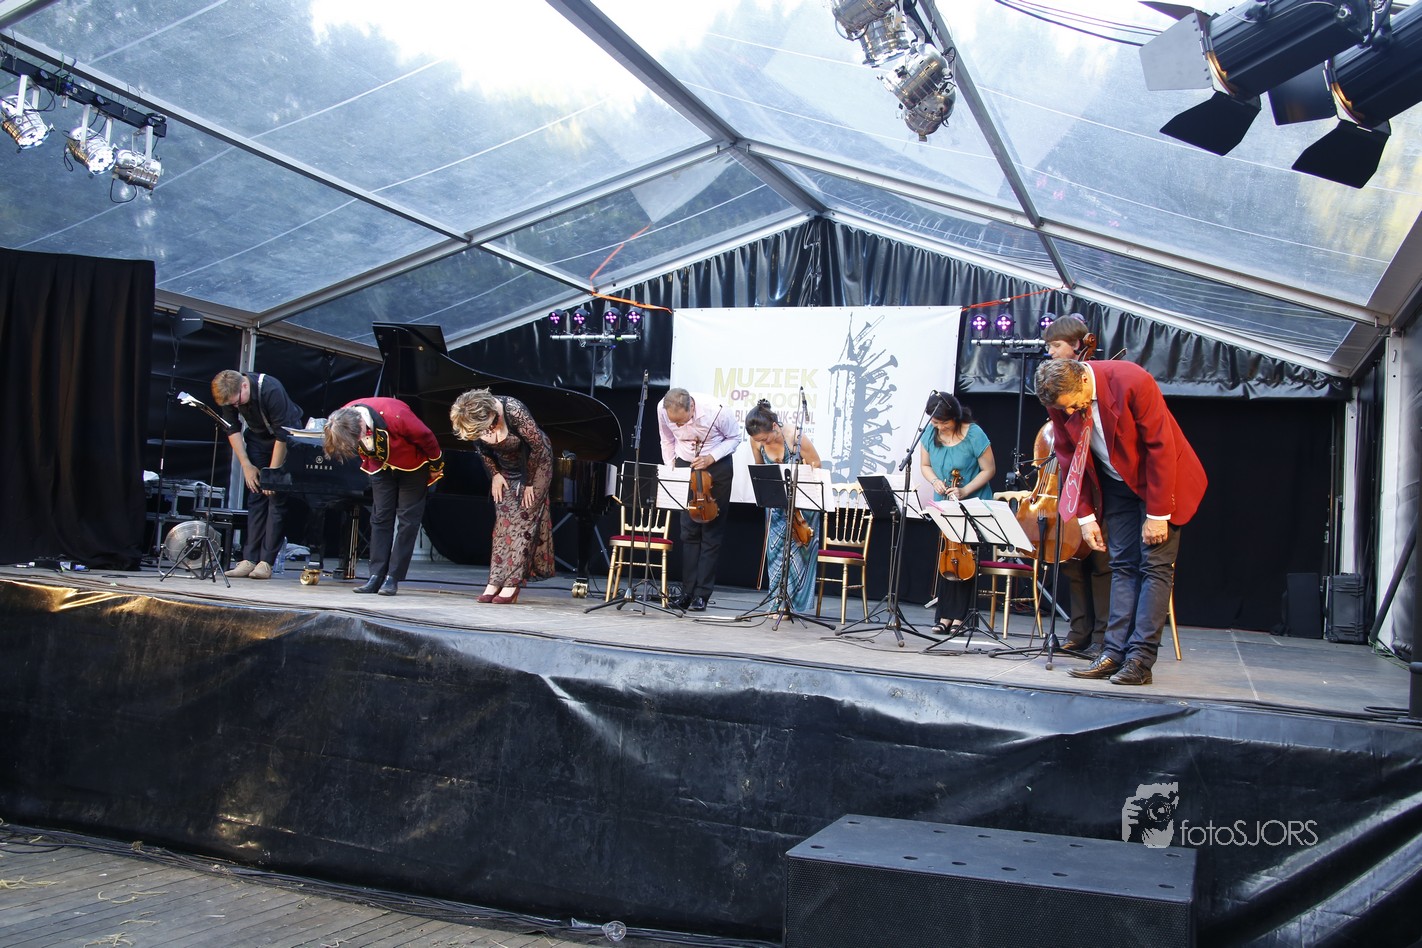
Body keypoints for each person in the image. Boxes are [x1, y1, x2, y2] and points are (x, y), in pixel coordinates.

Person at [1035, 358, 1207, 686]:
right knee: (1123, 566)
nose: (1069, 412)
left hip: (1162, 482)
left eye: (1072, 404)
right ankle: (1112, 653)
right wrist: (1085, 516)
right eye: (1062, 409)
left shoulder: (1131, 380)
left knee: (1154, 567)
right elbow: (1070, 459)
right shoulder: (1059, 399)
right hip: (1117, 483)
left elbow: (1161, 447)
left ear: (1084, 381)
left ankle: (1140, 661)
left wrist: (1158, 514)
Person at [322, 397, 443, 597]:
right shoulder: (342, 417)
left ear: (361, 422)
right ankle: (376, 575)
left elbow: (426, 437)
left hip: (412, 466)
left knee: (408, 521)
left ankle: (393, 577)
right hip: (379, 465)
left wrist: (436, 465)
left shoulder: (395, 415)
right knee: (380, 518)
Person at [1042, 314, 1112, 656]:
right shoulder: (1057, 393)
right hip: (1074, 485)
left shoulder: (1097, 382)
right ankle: (1079, 630)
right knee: (1072, 561)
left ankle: (1103, 636)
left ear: (1077, 345)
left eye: (1056, 345)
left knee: (1102, 563)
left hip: (1102, 486)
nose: (1051, 352)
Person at [450, 389, 555, 604]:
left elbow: (537, 448)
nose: (483, 432)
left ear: (490, 413)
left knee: (523, 519)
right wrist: (495, 475)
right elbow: (482, 450)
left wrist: (528, 483)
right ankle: (495, 581)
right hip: (506, 467)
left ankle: (512, 585)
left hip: (535, 465)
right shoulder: (473, 420)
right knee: (503, 523)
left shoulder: (513, 410)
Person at [212, 369, 303, 581]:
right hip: (258, 441)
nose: (236, 407)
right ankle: (249, 559)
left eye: (237, 402)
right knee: (255, 496)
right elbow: (232, 429)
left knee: (275, 498)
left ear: (244, 385)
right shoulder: (229, 393)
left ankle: (266, 562)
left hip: (286, 440)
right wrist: (246, 465)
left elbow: (282, 436)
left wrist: (272, 475)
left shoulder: (271, 389)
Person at [658, 388, 743, 612]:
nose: (678, 426)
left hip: (716, 464)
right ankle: (687, 592)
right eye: (674, 422)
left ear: (692, 408)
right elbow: (666, 439)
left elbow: (735, 438)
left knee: (711, 531)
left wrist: (711, 458)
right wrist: (672, 469)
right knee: (688, 531)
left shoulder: (717, 411)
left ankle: (702, 594)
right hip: (685, 463)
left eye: (682, 421)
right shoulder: (662, 409)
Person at [918, 391, 996, 635]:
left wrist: (965, 490)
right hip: (945, 504)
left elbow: (989, 469)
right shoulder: (930, 433)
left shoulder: (974, 433)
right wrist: (934, 482)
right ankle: (944, 616)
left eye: (944, 422)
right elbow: (925, 465)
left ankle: (961, 618)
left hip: (973, 502)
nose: (939, 427)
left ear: (955, 417)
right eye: (935, 422)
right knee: (947, 558)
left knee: (966, 560)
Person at [744, 399, 823, 614]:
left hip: (802, 508)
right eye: (759, 440)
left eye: (765, 438)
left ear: (774, 426)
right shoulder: (756, 441)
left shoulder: (794, 436)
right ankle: (777, 603)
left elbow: (816, 464)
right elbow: (760, 469)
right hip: (776, 503)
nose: (763, 442)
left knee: (798, 554)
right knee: (776, 553)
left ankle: (793, 606)